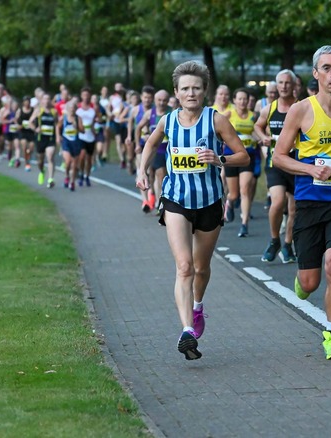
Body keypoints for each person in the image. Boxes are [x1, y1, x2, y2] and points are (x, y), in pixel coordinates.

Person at [136, 61, 249, 360]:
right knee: (184, 266)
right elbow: (149, 145)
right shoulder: (167, 121)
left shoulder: (217, 120)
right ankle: (187, 331)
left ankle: (197, 306)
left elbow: (244, 156)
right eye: (185, 88)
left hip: (210, 201)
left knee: (201, 267)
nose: (190, 93)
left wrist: (219, 159)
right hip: (175, 200)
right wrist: (141, 171)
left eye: (196, 88)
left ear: (204, 91)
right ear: (176, 92)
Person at [273, 46, 331, 362]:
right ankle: (302, 280)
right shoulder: (301, 110)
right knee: (310, 282)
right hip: (309, 202)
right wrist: (310, 168)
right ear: (316, 73)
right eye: (326, 68)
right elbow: (278, 156)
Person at [254, 69, 299, 263]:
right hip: (276, 163)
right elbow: (257, 126)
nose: (283, 86)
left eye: (287, 83)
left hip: (297, 164)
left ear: (294, 85)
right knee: (278, 201)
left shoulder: (301, 107)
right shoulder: (270, 109)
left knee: (294, 208)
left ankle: (288, 244)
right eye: (280, 83)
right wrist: (263, 137)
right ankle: (274, 240)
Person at [225, 88, 257, 237]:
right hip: (231, 158)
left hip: (247, 157)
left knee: (245, 190)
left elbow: (257, 131)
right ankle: (229, 203)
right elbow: (217, 130)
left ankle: (244, 224)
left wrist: (259, 138)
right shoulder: (229, 114)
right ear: (234, 100)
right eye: (240, 99)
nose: (243, 102)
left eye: (245, 99)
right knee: (234, 194)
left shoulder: (252, 116)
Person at [136, 89, 171, 214]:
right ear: (155, 101)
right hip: (154, 149)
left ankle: (159, 203)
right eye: (159, 100)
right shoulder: (150, 113)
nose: (162, 103)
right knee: (151, 175)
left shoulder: (172, 113)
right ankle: (153, 197)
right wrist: (137, 143)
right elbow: (138, 127)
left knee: (160, 176)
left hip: (166, 151)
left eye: (164, 100)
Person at [128, 86, 156, 210]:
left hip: (153, 144)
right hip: (140, 143)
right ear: (141, 97)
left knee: (150, 172)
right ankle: (145, 201)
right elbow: (131, 124)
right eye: (145, 97)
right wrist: (130, 137)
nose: (147, 100)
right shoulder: (135, 110)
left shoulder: (155, 111)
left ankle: (151, 194)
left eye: (150, 98)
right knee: (141, 170)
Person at [29, 93, 58, 188]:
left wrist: (58, 136)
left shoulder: (54, 112)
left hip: (50, 138)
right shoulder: (38, 111)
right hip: (40, 138)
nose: (46, 101)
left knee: (50, 157)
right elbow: (30, 122)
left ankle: (50, 179)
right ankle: (42, 171)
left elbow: (57, 125)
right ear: (41, 101)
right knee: (40, 160)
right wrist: (35, 129)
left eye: (48, 99)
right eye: (44, 99)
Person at [57, 100, 84, 191]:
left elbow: (83, 130)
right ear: (67, 108)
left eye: (73, 108)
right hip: (66, 142)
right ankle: (67, 176)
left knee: (75, 164)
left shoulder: (78, 118)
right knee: (68, 162)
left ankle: (72, 182)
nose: (72, 110)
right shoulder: (63, 117)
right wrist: (58, 136)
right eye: (70, 108)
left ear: (76, 109)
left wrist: (76, 126)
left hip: (76, 142)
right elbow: (58, 127)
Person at [76, 87, 97, 187]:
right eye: (84, 95)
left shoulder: (93, 109)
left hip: (91, 137)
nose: (86, 97)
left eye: (87, 95)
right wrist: (81, 129)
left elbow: (94, 123)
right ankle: (80, 174)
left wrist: (95, 133)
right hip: (81, 136)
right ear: (81, 96)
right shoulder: (78, 109)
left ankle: (87, 176)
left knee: (89, 159)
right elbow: (79, 124)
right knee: (82, 156)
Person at [19, 96, 35, 172]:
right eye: (25, 102)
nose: (27, 104)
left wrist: (33, 125)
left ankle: (29, 156)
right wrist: (19, 125)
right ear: (23, 103)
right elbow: (15, 119)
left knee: (31, 148)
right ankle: (27, 163)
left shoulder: (33, 110)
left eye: (28, 102)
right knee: (24, 147)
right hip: (23, 131)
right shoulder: (20, 110)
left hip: (31, 132)